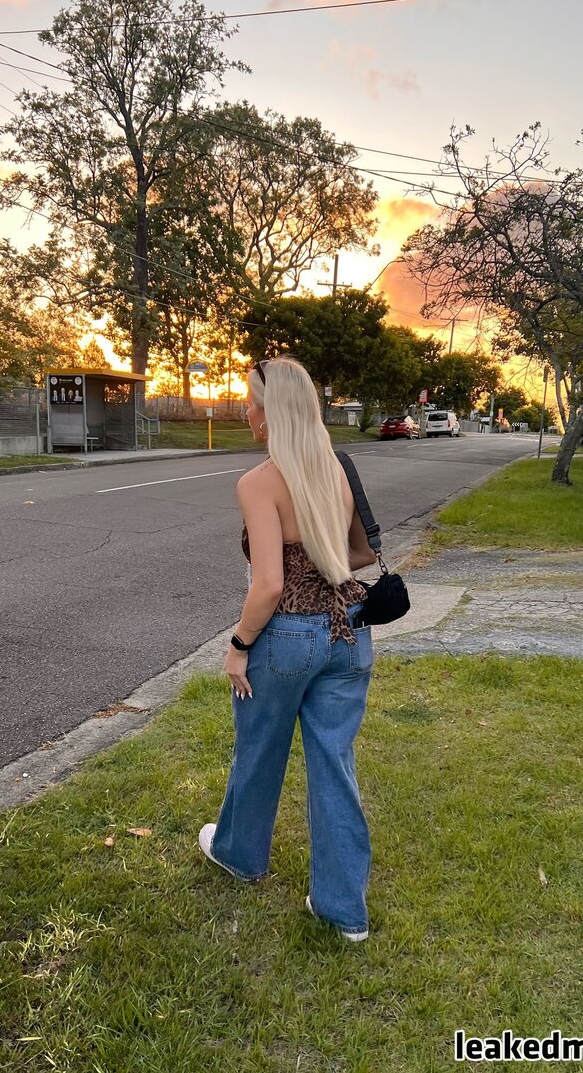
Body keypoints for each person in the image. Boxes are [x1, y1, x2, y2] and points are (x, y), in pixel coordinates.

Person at [198, 356, 378, 942]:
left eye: (251, 402)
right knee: (335, 765)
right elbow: (360, 555)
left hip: (287, 638)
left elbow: (269, 585)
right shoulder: (338, 471)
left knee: (259, 749)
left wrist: (238, 644)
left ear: (272, 412)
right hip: (349, 630)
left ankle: (240, 855)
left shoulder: (259, 483)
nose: (246, 412)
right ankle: (344, 911)